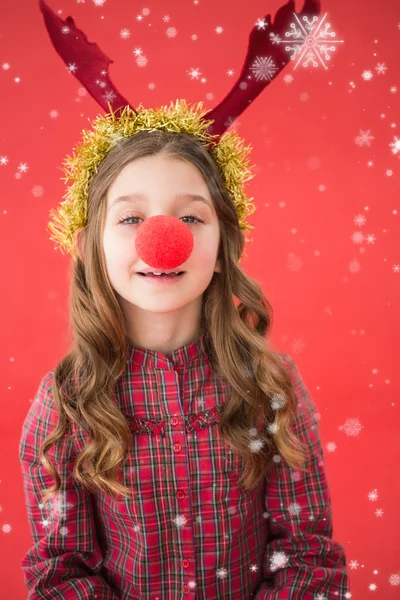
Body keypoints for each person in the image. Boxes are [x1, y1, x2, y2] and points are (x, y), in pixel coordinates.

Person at [19, 1, 350, 598]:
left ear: (224, 246)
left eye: (191, 218)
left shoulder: (270, 387)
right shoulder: (64, 405)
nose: (162, 240)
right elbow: (59, 572)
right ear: (88, 245)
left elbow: (307, 556)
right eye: (131, 218)